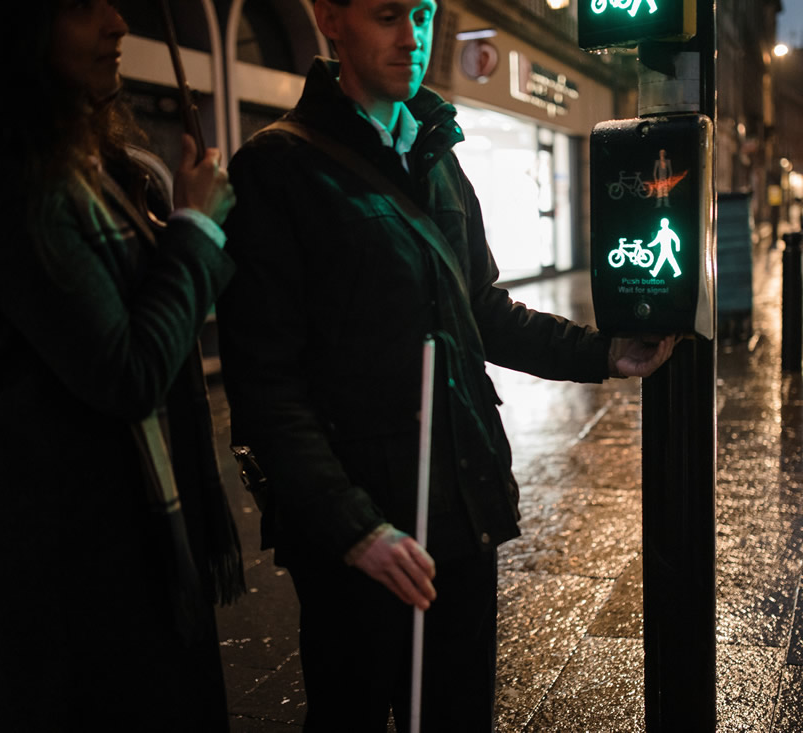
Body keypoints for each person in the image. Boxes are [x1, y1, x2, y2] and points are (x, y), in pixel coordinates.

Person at [215, 0, 677, 729]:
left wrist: (601, 352)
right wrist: (354, 528)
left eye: (425, 14)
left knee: (459, 710)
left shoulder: (437, 155)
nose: (414, 37)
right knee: (352, 712)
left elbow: (483, 309)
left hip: (461, 504)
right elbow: (267, 384)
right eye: (388, 15)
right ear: (329, 18)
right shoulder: (279, 169)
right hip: (362, 531)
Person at [0, 1, 244, 729]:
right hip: (70, 565)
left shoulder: (100, 172)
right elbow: (125, 371)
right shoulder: (12, 186)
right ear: (15, 33)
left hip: (129, 542)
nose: (117, 23)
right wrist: (195, 230)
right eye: (78, 6)